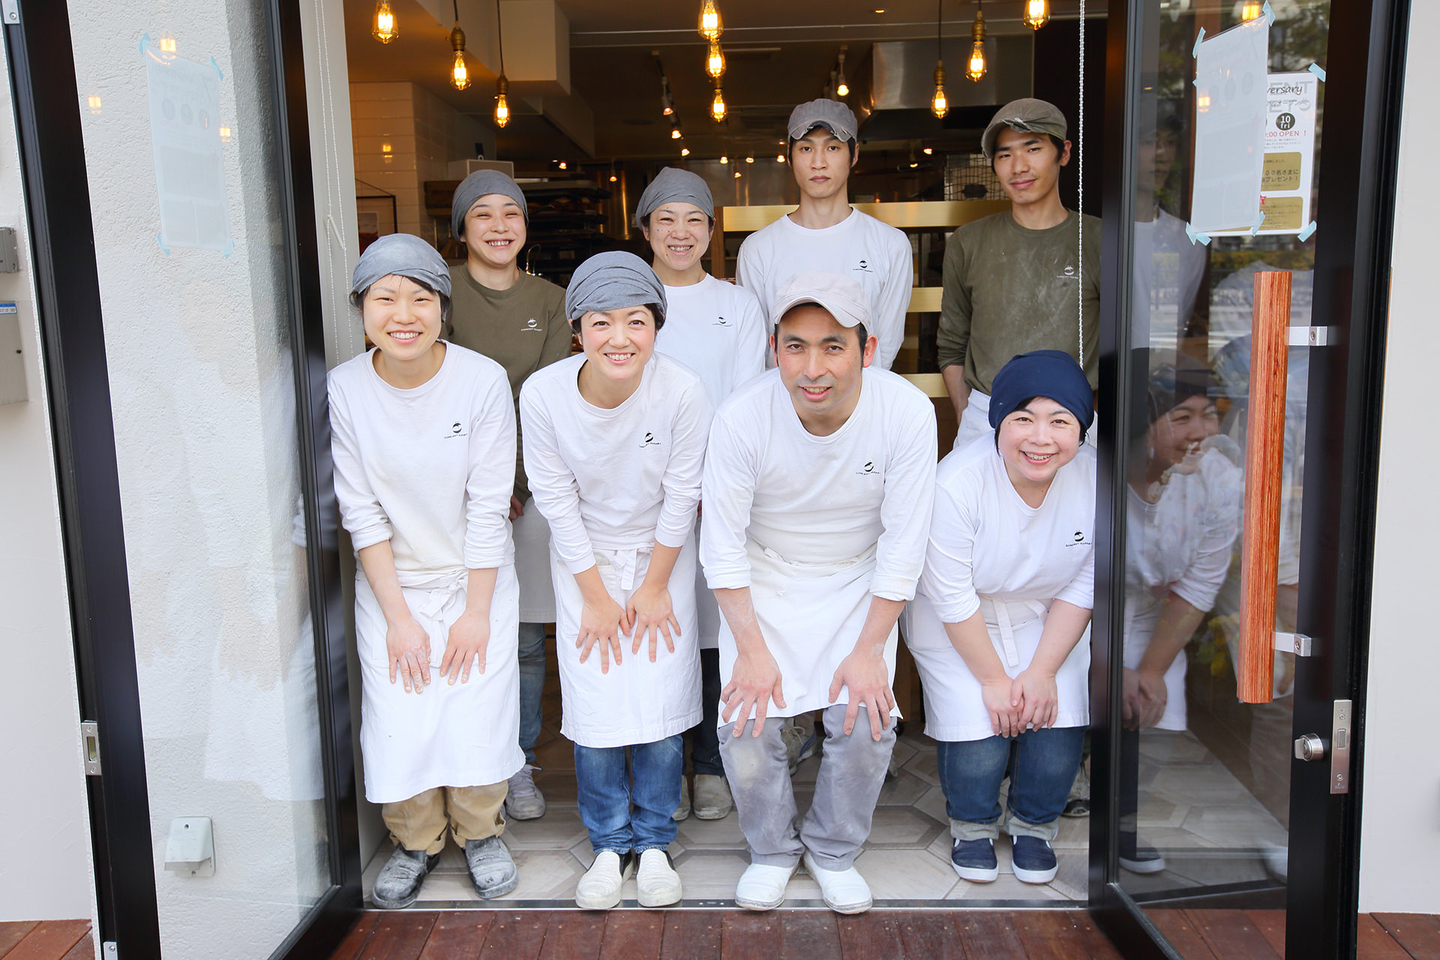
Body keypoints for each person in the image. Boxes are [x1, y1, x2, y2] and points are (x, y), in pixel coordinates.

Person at [702, 271, 937, 914]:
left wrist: (869, 650)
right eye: (796, 346)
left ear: (868, 349)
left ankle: (834, 849)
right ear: (774, 349)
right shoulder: (742, 416)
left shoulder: (906, 411)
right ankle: (771, 850)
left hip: (861, 577)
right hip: (765, 575)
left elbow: (905, 542)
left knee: (865, 720)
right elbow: (721, 545)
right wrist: (751, 651)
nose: (813, 368)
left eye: (833, 346)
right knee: (746, 724)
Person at [328, 233, 523, 908]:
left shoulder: (480, 380)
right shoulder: (346, 388)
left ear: (443, 306)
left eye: (420, 298)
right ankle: (414, 840)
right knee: (401, 716)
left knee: (476, 710)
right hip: (394, 585)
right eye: (385, 298)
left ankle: (481, 832)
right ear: (362, 308)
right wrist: (400, 619)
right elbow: (361, 512)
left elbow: (489, 505)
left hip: (477, 577)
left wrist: (476, 612)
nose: (403, 314)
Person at [519, 251, 713, 910]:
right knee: (597, 706)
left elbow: (683, 492)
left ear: (657, 325)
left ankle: (654, 842)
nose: (619, 338)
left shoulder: (683, 390)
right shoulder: (543, 394)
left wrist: (655, 586)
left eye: (636, 321)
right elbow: (555, 500)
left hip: (664, 555)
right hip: (585, 562)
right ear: (578, 329)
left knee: (660, 701)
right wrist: (596, 597)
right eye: (601, 322)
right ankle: (608, 843)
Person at [906, 350, 1096, 886]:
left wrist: (1041, 672)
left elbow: (1084, 582)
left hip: (1047, 616)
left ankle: (1034, 826)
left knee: (1055, 726)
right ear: (997, 422)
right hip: (960, 620)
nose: (1040, 438)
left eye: (1060, 421)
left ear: (1081, 429)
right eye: (1023, 419)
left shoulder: (1096, 479)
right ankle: (973, 827)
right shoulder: (955, 484)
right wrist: (994, 680)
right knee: (980, 734)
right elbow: (952, 596)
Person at [637, 166, 767, 822]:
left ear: (711, 232)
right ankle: (665, 766)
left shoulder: (737, 305)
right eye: (667, 219)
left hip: (716, 489)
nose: (680, 232)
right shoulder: (629, 301)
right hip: (643, 492)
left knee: (716, 628)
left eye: (694, 220)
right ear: (646, 230)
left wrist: (707, 483)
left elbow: (744, 401)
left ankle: (713, 765)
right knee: (661, 625)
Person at [446, 170, 572, 821]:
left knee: (523, 637)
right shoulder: (438, 294)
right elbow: (437, 395)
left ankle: (518, 763)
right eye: (483, 214)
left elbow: (541, 401)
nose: (499, 226)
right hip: (450, 493)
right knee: (457, 631)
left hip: (524, 492)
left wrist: (511, 485)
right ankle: (465, 763)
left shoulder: (550, 300)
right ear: (461, 227)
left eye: (510, 213)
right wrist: (477, 487)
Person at [1118, 358, 1242, 873]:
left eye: (1208, 415)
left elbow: (1199, 585)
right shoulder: (1097, 469)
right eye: (1182, 417)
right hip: (1079, 613)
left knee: (1158, 703)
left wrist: (1148, 671)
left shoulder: (1219, 480)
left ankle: (1122, 821)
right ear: (1142, 424)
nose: (1201, 432)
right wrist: (1108, 666)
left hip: (1155, 611)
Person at [938, 99, 1101, 449]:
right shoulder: (969, 241)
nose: (1019, 166)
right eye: (1005, 154)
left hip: (1074, 418)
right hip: (986, 417)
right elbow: (952, 345)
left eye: (1033, 148)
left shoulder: (1098, 239)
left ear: (1063, 153)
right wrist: (968, 415)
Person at [736, 99, 913, 371]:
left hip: (863, 396)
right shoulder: (758, 249)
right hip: (782, 396)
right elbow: (757, 348)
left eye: (832, 148)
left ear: (854, 155)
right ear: (790, 157)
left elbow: (886, 345)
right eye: (806, 148)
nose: (818, 163)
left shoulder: (890, 245)